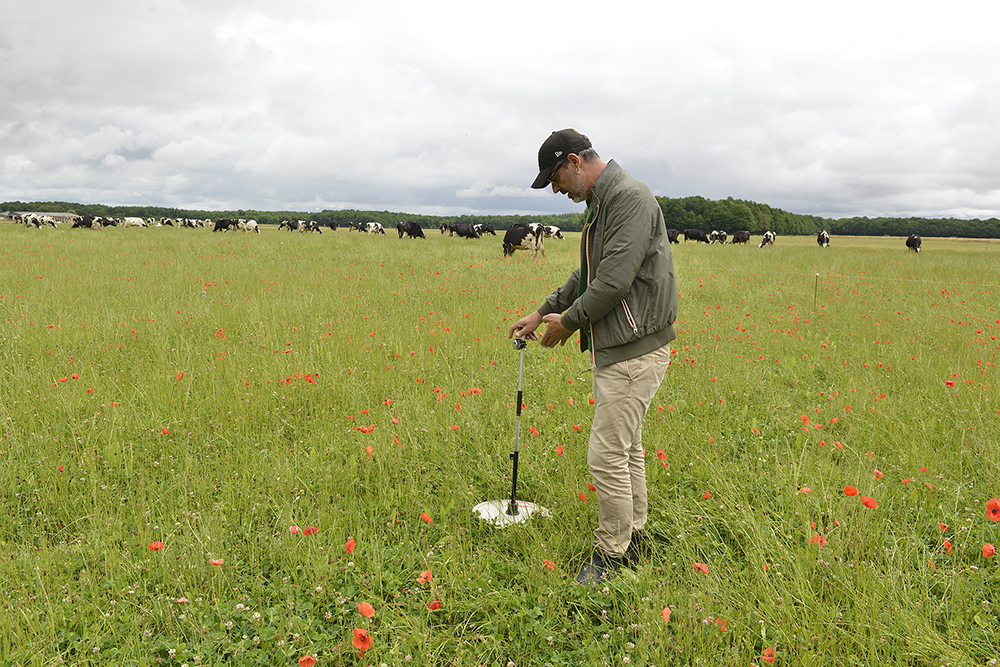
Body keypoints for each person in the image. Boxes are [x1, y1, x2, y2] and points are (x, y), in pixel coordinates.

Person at [508, 129, 678, 585]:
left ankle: (613, 557)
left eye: (556, 179)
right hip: (623, 345)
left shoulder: (628, 199)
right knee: (628, 448)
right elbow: (587, 272)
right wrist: (544, 309)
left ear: (574, 162)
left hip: (633, 349)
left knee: (606, 455)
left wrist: (569, 322)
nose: (558, 190)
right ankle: (633, 535)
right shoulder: (603, 203)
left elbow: (614, 282)